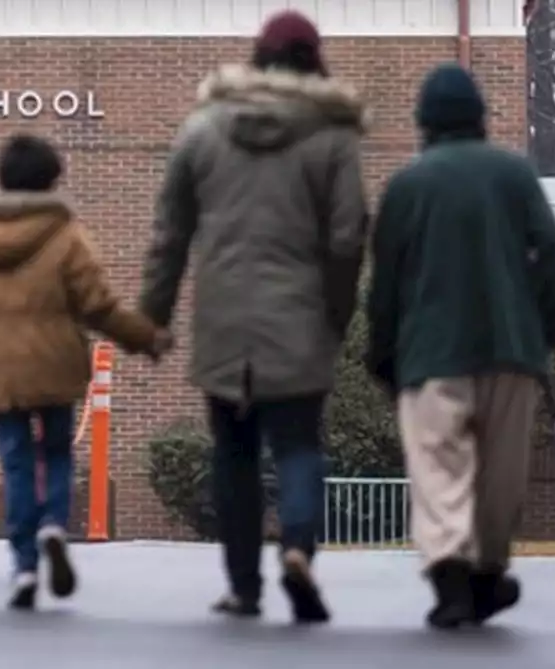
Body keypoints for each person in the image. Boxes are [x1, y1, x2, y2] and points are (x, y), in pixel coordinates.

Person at [137, 10, 368, 624]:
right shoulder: (332, 137)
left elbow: (170, 234)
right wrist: (337, 314)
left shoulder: (203, 130)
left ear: (255, 59)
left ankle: (243, 586)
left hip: (224, 321)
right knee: (297, 443)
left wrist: (152, 318)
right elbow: (348, 239)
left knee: (233, 453)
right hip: (300, 318)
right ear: (315, 63)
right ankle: (297, 547)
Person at [0, 133, 171, 611]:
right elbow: (97, 305)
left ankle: (25, 565)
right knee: (55, 450)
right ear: (52, 180)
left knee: (15, 461)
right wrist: (144, 337)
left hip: (0, 365)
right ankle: (53, 523)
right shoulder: (65, 233)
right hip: (56, 360)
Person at [364, 63, 555, 630]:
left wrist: (382, 354)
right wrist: (549, 329)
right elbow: (553, 260)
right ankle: (487, 571)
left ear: (425, 123)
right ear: (480, 117)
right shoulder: (515, 175)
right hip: (511, 350)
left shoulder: (409, 185)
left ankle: (451, 575)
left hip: (433, 355)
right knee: (500, 473)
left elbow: (386, 283)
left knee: (438, 466)